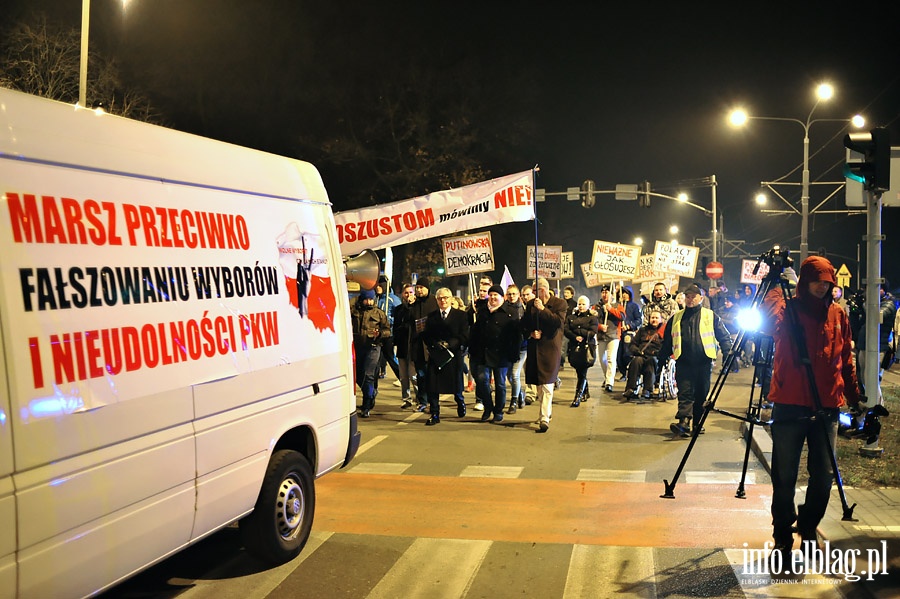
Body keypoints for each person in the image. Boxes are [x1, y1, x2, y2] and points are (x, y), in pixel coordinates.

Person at [759, 256, 862, 560]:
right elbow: (767, 321)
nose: (822, 286)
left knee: (824, 476)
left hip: (827, 406)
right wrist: (776, 280)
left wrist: (855, 398)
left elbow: (845, 361)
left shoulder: (839, 315)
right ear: (804, 281)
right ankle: (781, 532)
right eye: (816, 280)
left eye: (827, 281)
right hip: (789, 404)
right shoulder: (787, 309)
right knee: (784, 475)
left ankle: (808, 527)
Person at [659, 283, 732, 437]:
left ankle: (698, 423)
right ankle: (684, 422)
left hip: (703, 361)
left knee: (701, 393)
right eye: (688, 296)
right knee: (685, 392)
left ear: (701, 298)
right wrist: (662, 358)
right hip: (683, 360)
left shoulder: (710, 315)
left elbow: (723, 336)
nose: (690, 299)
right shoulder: (676, 318)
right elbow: (667, 341)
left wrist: (728, 353)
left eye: (694, 297)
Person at [521, 277, 568, 432]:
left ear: (542, 290)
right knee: (539, 384)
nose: (532, 294)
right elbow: (525, 324)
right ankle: (545, 411)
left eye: (534, 291)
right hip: (535, 347)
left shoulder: (560, 303)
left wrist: (543, 309)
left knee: (548, 383)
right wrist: (530, 333)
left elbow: (557, 323)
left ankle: (544, 418)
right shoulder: (530, 305)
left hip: (550, 348)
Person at [470, 285, 522, 422]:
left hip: (501, 355)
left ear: (502, 297)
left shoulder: (509, 313)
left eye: (496, 295)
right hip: (483, 354)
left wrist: (514, 354)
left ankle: (498, 411)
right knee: (482, 381)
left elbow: (516, 336)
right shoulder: (482, 312)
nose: (493, 297)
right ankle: (488, 407)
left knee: (500, 384)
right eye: (491, 294)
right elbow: (475, 332)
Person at [420, 288, 469, 425]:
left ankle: (460, 401)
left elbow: (465, 335)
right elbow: (427, 335)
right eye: (440, 298)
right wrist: (435, 344)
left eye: (446, 298)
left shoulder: (461, 315)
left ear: (451, 298)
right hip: (437, 355)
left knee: (456, 384)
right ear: (437, 300)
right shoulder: (432, 316)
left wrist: (451, 343)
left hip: (453, 355)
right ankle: (435, 413)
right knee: (432, 385)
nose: (443, 300)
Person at [853, 282, 897, 404]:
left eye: (870, 290)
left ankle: (877, 405)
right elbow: (858, 324)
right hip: (863, 345)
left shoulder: (888, 304)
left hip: (878, 347)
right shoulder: (869, 304)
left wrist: (864, 304)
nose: (867, 293)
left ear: (882, 290)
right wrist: (855, 309)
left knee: (871, 379)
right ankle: (871, 404)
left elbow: (875, 316)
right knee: (863, 378)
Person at [350, 289, 390, 418]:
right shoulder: (354, 311)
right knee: (358, 375)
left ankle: (367, 405)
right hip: (357, 347)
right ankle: (371, 393)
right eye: (367, 299)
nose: (369, 302)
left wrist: (380, 334)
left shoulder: (378, 313)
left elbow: (387, 330)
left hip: (373, 347)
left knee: (368, 375)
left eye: (371, 299)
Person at [564, 295, 598, 407]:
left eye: (583, 304)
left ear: (588, 305)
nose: (581, 306)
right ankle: (585, 392)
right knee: (580, 371)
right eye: (579, 304)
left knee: (582, 372)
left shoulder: (592, 318)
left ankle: (577, 396)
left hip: (586, 347)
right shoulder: (571, 317)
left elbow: (593, 331)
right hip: (574, 347)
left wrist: (579, 331)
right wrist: (575, 336)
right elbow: (566, 329)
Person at [409, 281, 438, 412]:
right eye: (418, 288)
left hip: (431, 344)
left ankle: (433, 402)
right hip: (417, 344)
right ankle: (422, 401)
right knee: (420, 375)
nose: (419, 290)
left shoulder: (434, 302)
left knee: (431, 375)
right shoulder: (414, 304)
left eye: (422, 287)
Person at [622, 310, 663, 401]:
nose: (654, 320)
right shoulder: (642, 330)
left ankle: (648, 390)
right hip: (641, 354)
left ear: (661, 320)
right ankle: (631, 389)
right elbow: (632, 344)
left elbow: (666, 347)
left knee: (651, 361)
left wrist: (658, 353)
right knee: (636, 361)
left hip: (654, 355)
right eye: (652, 318)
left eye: (656, 318)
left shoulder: (663, 332)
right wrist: (637, 351)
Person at [593, 285, 625, 393]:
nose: (605, 294)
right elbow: (592, 321)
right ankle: (607, 377)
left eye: (607, 292)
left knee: (611, 359)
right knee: (602, 360)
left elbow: (622, 317)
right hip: (601, 336)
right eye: (603, 292)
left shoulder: (617, 306)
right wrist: (599, 327)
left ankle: (609, 382)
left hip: (613, 335)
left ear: (612, 294)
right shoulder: (596, 307)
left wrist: (610, 309)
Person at [392, 283, 418, 407]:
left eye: (411, 292)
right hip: (402, 347)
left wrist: (411, 306)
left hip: (413, 346)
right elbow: (396, 327)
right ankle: (406, 399)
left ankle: (420, 398)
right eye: (406, 292)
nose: (408, 295)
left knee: (414, 375)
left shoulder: (416, 308)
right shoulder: (398, 309)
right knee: (403, 376)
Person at [505, 285, 527, 413]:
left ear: (519, 294)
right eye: (509, 294)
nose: (512, 296)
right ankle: (520, 394)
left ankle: (513, 401)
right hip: (508, 346)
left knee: (515, 373)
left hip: (522, 346)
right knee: (509, 375)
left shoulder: (524, 308)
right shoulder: (503, 308)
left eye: (514, 294)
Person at [374, 276, 402, 381]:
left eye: (380, 286)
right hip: (377, 334)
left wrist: (391, 323)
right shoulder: (376, 299)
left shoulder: (393, 299)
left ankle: (403, 379)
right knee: (375, 360)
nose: (377, 288)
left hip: (388, 334)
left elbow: (399, 315)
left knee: (391, 358)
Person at [616, 285, 644, 378]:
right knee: (618, 355)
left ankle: (629, 373)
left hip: (628, 333)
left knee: (627, 354)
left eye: (626, 293)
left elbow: (639, 320)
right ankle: (622, 372)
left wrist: (629, 326)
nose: (624, 295)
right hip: (618, 333)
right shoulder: (617, 305)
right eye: (622, 293)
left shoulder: (634, 306)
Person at [519, 284, 538, 406]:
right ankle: (531, 392)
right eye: (524, 295)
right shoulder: (520, 307)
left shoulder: (537, 306)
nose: (526, 297)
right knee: (527, 368)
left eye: (528, 294)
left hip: (538, 343)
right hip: (525, 342)